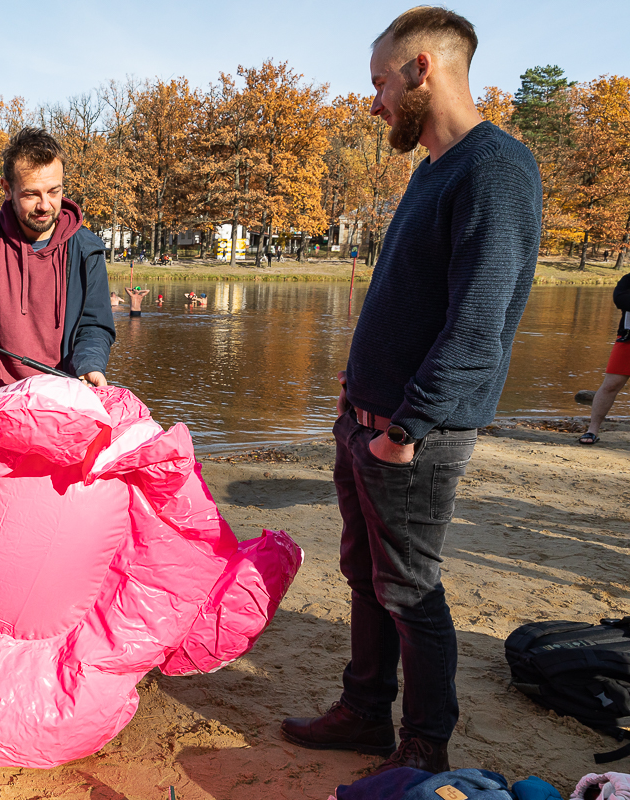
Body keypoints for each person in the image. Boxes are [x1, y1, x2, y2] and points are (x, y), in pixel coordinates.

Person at [280, 6, 542, 775]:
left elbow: (479, 324)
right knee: (366, 575)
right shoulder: (433, 169)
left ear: (423, 67)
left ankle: (425, 744)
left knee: (411, 589)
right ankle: (365, 711)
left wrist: (404, 429)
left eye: (380, 82)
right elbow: (414, 299)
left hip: (413, 437)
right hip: (367, 418)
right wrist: (355, 389)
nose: (374, 102)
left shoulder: (494, 168)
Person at [0, 127, 115, 421]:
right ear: (7, 189)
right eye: (31, 194)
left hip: (63, 406)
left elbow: (95, 326)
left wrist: (90, 364)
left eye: (54, 191)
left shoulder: (88, 249)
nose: (45, 205)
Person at [579, 271, 630, 444]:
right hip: (627, 339)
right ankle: (592, 430)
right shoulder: (628, 279)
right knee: (610, 386)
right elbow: (620, 299)